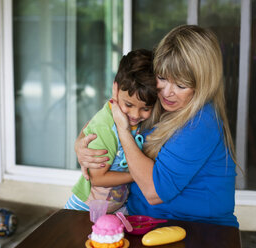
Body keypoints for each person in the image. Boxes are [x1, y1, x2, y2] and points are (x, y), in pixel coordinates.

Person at [74, 25, 239, 228]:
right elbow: (104, 120)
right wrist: (81, 142)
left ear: (203, 84)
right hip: (140, 221)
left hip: (196, 230)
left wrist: (123, 130)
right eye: (162, 77)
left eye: (181, 85)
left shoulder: (201, 121)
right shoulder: (160, 102)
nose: (167, 92)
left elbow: (154, 192)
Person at [65, 49, 157, 213]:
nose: (135, 115)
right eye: (128, 105)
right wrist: (138, 175)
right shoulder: (105, 126)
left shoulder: (140, 121)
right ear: (115, 89)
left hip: (114, 208)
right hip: (85, 209)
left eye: (145, 108)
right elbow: (98, 178)